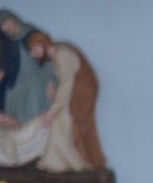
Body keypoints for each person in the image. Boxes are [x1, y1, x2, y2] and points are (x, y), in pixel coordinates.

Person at [24, 30, 106, 173]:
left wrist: (52, 111)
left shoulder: (61, 54)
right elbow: (64, 82)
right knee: (59, 121)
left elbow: (67, 84)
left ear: (42, 44)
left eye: (33, 48)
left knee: (60, 120)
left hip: (81, 92)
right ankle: (59, 161)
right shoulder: (56, 55)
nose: (32, 53)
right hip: (74, 90)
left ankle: (68, 162)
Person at [0, 9, 56, 124]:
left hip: (37, 76)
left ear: (13, 19)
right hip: (16, 79)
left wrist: (51, 82)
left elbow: (47, 59)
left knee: (33, 92)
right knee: (10, 94)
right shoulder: (8, 41)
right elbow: (5, 61)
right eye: (3, 28)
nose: (7, 30)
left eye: (7, 25)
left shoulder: (31, 33)